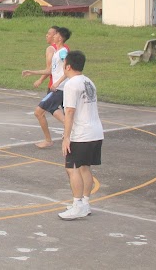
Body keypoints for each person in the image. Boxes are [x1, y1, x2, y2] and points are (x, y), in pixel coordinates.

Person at [58, 50, 103, 220]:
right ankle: (85, 203)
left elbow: (69, 112)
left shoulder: (71, 84)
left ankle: (77, 205)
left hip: (81, 134)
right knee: (85, 167)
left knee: (72, 168)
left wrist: (66, 137)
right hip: (95, 131)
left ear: (68, 66)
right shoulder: (89, 82)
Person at [22, 26, 71, 148]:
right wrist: (32, 72)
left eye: (55, 35)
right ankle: (69, 130)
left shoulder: (63, 52)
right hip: (59, 88)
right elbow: (49, 70)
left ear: (59, 38)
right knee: (51, 110)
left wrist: (58, 82)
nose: (52, 36)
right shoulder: (57, 53)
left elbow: (68, 68)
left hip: (60, 89)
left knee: (39, 112)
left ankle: (51, 139)